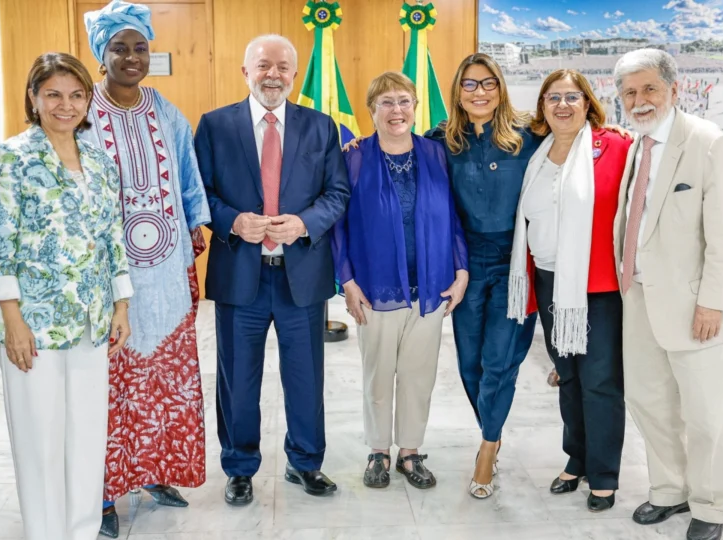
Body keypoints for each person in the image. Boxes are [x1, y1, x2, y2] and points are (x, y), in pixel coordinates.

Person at [0, 52, 132, 540]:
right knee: (40, 438)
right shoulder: (11, 159)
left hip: (91, 319)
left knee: (86, 435)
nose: (65, 106)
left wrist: (121, 305)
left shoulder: (101, 161)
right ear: (34, 98)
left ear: (88, 100)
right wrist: (12, 320)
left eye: (75, 95)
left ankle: (82, 530)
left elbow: (114, 237)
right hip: (34, 324)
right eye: (53, 95)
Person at [194, 34, 350, 506]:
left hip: (300, 277)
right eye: (264, 65)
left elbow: (337, 194)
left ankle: (306, 462)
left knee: (305, 377)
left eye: (283, 67)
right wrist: (232, 222)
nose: (273, 74)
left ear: (294, 75)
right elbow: (199, 192)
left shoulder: (322, 128)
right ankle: (239, 467)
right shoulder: (215, 126)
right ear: (246, 72)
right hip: (241, 276)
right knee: (238, 380)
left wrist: (304, 223)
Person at [612, 49, 723, 540]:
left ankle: (712, 505)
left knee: (705, 414)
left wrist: (713, 301)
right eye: (630, 92)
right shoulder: (638, 145)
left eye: (649, 88)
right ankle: (669, 490)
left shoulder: (708, 142)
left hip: (700, 305)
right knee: (649, 401)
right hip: (641, 298)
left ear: (675, 89)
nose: (639, 99)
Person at [80, 1, 212, 536]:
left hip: (166, 272)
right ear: (102, 54)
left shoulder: (166, 110)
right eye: (120, 48)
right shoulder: (82, 111)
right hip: (108, 276)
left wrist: (196, 222)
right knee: (111, 385)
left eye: (140, 48)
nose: (132, 57)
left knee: (166, 377)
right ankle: (105, 493)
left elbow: (187, 175)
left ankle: (158, 470)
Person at [331, 72, 468, 489]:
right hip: (375, 290)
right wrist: (347, 282)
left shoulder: (436, 154)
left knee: (418, 375)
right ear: (371, 110)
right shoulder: (353, 156)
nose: (396, 111)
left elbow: (455, 216)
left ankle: (410, 452)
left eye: (404, 101)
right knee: (378, 374)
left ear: (415, 108)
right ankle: (378, 452)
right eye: (386, 102)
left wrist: (461, 270)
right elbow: (337, 225)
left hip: (431, 286)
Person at [508, 69, 632, 512]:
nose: (562, 105)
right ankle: (575, 459)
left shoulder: (616, 146)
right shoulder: (535, 154)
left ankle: (603, 474)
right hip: (548, 281)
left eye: (572, 97)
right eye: (553, 97)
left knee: (600, 381)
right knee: (568, 377)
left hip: (595, 287)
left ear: (588, 103)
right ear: (542, 106)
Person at [424, 53, 542, 499]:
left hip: (514, 262)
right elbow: (395, 151)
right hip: (464, 264)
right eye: (470, 85)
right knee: (470, 364)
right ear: (458, 91)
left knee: (500, 362)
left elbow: (579, 138)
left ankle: (488, 448)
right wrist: (357, 148)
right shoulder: (440, 140)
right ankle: (491, 429)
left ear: (501, 87)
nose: (480, 92)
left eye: (488, 83)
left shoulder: (529, 136)